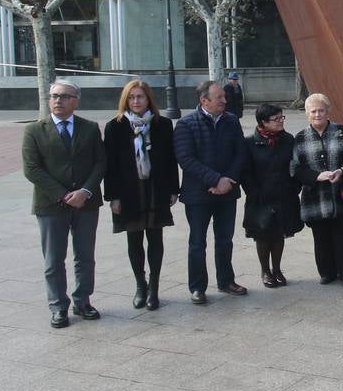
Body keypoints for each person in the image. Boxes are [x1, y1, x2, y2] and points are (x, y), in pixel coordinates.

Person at [21, 79, 105, 328]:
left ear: (76, 101)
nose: (58, 100)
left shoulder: (89, 128)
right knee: (54, 259)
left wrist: (86, 191)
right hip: (50, 205)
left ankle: (82, 300)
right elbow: (31, 169)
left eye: (65, 96)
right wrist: (63, 194)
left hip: (86, 203)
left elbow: (100, 162)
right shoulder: (34, 130)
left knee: (85, 256)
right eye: (54, 96)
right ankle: (58, 306)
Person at [103, 79, 178, 311]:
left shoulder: (163, 124)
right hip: (129, 191)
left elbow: (170, 159)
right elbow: (110, 165)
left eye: (140, 97)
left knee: (156, 239)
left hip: (156, 189)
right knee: (134, 239)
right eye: (132, 97)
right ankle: (140, 285)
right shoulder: (115, 126)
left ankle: (154, 287)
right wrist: (113, 196)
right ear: (126, 100)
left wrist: (174, 189)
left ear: (149, 99)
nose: (136, 101)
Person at [174, 80, 248, 304]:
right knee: (198, 242)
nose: (225, 101)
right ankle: (197, 287)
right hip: (198, 195)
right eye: (219, 98)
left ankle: (226, 280)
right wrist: (216, 179)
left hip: (227, 193)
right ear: (204, 100)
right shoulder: (186, 124)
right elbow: (185, 159)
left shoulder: (232, 121)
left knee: (225, 240)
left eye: (224, 97)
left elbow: (241, 153)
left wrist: (228, 180)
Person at [291, 93, 343, 287]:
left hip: (342, 195)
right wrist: (315, 177)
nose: (317, 114)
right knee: (321, 237)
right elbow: (294, 168)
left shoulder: (342, 132)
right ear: (307, 113)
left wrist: (342, 170)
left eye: (321, 110)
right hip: (315, 196)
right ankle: (327, 272)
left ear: (328, 112)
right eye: (313, 111)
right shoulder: (300, 138)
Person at [242, 103, 303, 288]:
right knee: (263, 235)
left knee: (279, 235)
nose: (280, 121)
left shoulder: (288, 139)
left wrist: (294, 187)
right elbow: (246, 172)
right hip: (260, 198)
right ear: (263, 122)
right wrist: (255, 192)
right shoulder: (250, 142)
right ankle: (265, 270)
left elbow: (295, 165)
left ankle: (277, 269)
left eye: (281, 117)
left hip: (284, 195)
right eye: (276, 119)